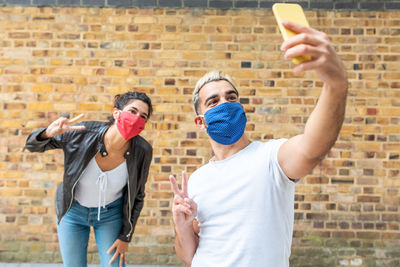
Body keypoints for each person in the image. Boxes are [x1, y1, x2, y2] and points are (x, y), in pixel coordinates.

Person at [169, 21, 348, 267]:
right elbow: (189, 257)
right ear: (200, 122)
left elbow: (312, 148)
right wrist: (183, 227)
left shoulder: (271, 157)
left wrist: (335, 84)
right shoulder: (197, 180)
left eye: (231, 97)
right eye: (213, 101)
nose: (225, 103)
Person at [25, 92, 153, 267]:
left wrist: (126, 236)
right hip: (73, 211)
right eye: (132, 111)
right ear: (117, 113)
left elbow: (138, 195)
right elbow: (31, 145)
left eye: (143, 117)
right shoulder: (82, 134)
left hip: (111, 214)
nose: (137, 118)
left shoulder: (142, 150)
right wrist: (48, 133)